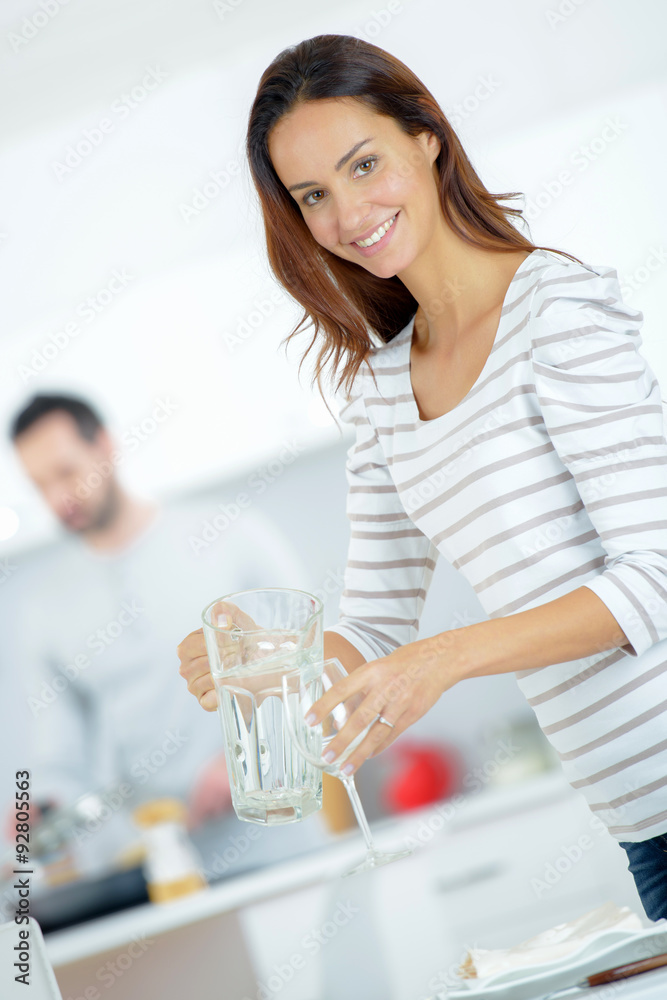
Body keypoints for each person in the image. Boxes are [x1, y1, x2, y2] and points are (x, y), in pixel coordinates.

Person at [177, 34, 667, 920]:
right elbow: (371, 628)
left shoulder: (555, 310)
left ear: (426, 137)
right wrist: (261, 657)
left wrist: (444, 659)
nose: (347, 214)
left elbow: (655, 577)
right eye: (313, 196)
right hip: (639, 819)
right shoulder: (379, 391)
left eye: (363, 165)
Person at [4, 392, 327, 877]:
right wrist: (42, 808)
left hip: (282, 843)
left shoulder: (230, 537)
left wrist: (248, 758)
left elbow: (315, 666)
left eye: (66, 472)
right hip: (162, 870)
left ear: (106, 446)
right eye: (39, 485)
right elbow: (60, 755)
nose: (57, 499)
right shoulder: (45, 609)